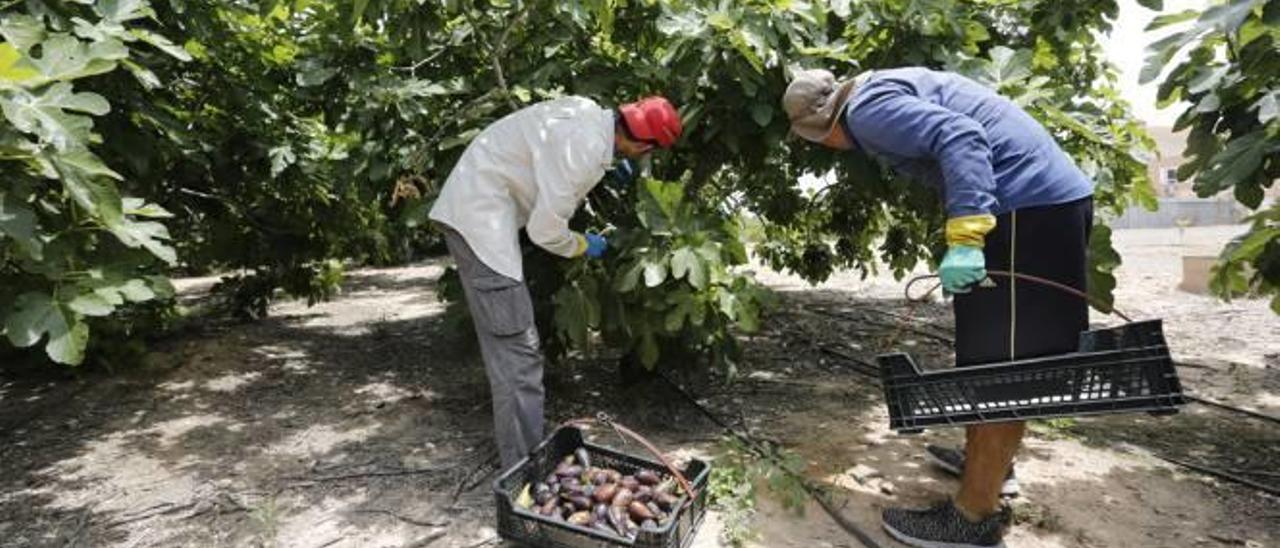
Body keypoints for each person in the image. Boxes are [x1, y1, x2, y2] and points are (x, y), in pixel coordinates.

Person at [784, 67, 1094, 548]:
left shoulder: (865, 110)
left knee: (1003, 367)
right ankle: (989, 467)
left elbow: (961, 135)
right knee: (1003, 356)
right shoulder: (880, 89)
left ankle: (973, 516)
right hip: (1036, 204)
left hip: (1025, 210)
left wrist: (967, 237)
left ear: (827, 126)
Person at [429, 95, 682, 469]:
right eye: (643, 153)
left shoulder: (583, 109)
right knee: (518, 353)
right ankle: (524, 469)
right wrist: (582, 244)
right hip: (480, 222)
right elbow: (545, 232)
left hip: (476, 207)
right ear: (644, 145)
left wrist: (602, 171)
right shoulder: (585, 154)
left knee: (513, 351)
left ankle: (524, 453)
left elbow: (548, 153)